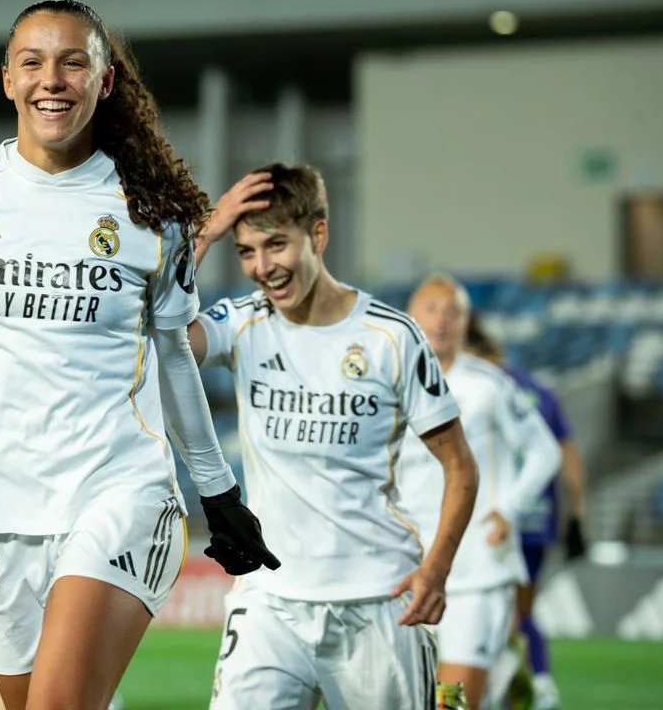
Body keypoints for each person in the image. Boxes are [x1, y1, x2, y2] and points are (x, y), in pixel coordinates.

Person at [0, 0, 279, 710]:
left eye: (72, 61)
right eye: (33, 62)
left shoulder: (151, 212)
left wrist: (218, 490)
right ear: (7, 80)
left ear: (105, 81)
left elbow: (174, 354)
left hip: (119, 492)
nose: (50, 79)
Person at [188, 165, 479, 709]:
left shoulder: (392, 337)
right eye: (246, 251)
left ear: (317, 235)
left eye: (276, 245)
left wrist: (437, 569)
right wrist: (210, 228)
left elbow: (460, 465)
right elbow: (159, 335)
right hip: (269, 601)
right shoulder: (243, 322)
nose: (261, 268)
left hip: (378, 603)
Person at [398, 274, 563, 708]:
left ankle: (500, 676)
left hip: (477, 572)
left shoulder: (490, 385)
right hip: (407, 568)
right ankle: (507, 677)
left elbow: (546, 451)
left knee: (450, 701)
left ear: (467, 323)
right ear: (411, 318)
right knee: (411, 695)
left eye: (454, 312)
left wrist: (508, 508)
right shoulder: (388, 386)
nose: (441, 320)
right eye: (431, 308)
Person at [466, 316, 587, 710]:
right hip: (538, 519)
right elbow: (565, 454)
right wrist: (576, 515)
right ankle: (535, 680)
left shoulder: (478, 389)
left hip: (489, 520)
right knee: (519, 608)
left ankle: (515, 684)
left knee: (484, 612)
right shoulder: (542, 393)